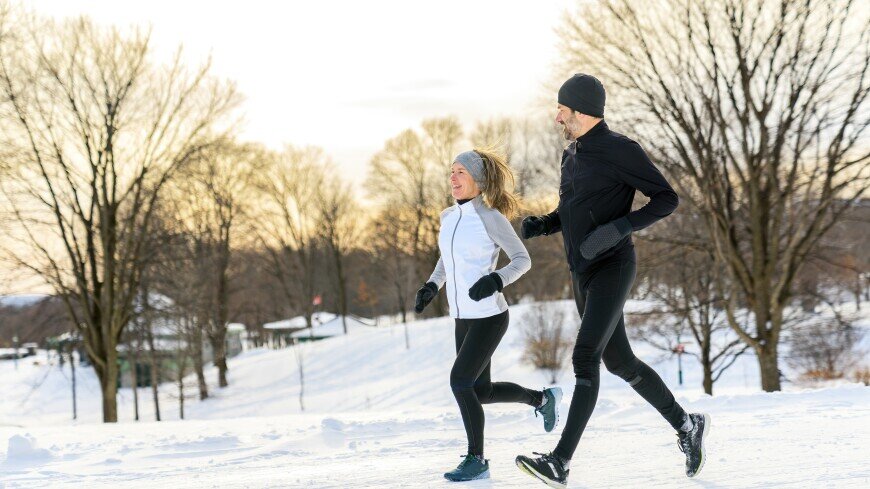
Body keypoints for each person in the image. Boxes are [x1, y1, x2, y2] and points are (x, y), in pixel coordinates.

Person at [514, 74, 710, 488]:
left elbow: (666, 198)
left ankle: (560, 462)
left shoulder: (621, 149)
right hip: (581, 272)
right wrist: (544, 224)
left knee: (585, 356)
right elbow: (573, 209)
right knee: (619, 361)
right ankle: (687, 425)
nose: (557, 117)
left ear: (581, 111)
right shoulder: (572, 154)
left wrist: (620, 226)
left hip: (613, 267)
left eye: (562, 110)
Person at [414, 148, 563, 482]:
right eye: (451, 171)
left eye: (460, 172)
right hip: (462, 317)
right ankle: (542, 399)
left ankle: (476, 458)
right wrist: (431, 286)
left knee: (460, 382)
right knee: (480, 392)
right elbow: (446, 260)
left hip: (489, 316)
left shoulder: (490, 216)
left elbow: (522, 259)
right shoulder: (447, 217)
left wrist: (496, 279)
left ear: (478, 181)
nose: (453, 178)